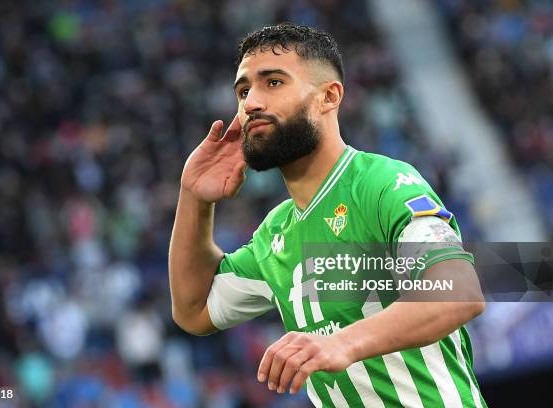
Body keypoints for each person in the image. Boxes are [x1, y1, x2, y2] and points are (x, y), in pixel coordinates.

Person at [169, 22, 487, 407]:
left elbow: (460, 293)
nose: (250, 103)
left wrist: (340, 344)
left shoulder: (382, 183)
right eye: (243, 90)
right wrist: (194, 198)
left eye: (273, 83)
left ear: (328, 97)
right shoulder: (275, 234)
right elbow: (193, 310)